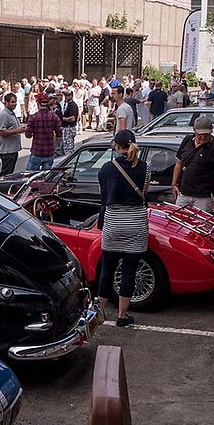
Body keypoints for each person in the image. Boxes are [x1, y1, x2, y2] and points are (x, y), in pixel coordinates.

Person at [95, 129, 150, 328]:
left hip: (113, 222)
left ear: (116, 147)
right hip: (135, 223)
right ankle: (122, 315)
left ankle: (101, 312)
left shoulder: (106, 169)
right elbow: (144, 192)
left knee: (107, 270)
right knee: (129, 271)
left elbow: (104, 198)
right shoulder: (145, 167)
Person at [172, 116, 214, 212]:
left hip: (204, 197)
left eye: (206, 135)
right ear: (194, 131)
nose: (203, 137)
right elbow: (179, 163)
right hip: (184, 194)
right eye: (200, 134)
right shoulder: (187, 141)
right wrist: (174, 184)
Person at [25, 91, 62, 171]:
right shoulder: (54, 117)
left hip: (36, 151)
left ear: (38, 102)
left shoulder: (33, 118)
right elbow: (59, 134)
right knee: (46, 178)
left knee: (30, 176)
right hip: (49, 151)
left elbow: (28, 135)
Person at [0, 92, 25, 176]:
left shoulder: (12, 113)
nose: (14, 104)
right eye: (12, 102)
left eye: (15, 102)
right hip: (7, 151)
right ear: (6, 103)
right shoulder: (4, 115)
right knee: (5, 174)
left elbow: (14, 127)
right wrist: (17, 130)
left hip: (13, 149)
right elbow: (1, 132)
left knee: (9, 173)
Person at [57, 88, 79, 156]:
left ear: (71, 96)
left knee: (68, 149)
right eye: (65, 95)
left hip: (69, 128)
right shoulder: (66, 105)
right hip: (65, 128)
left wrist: (62, 118)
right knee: (63, 147)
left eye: (67, 95)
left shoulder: (73, 105)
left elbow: (72, 118)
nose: (66, 97)